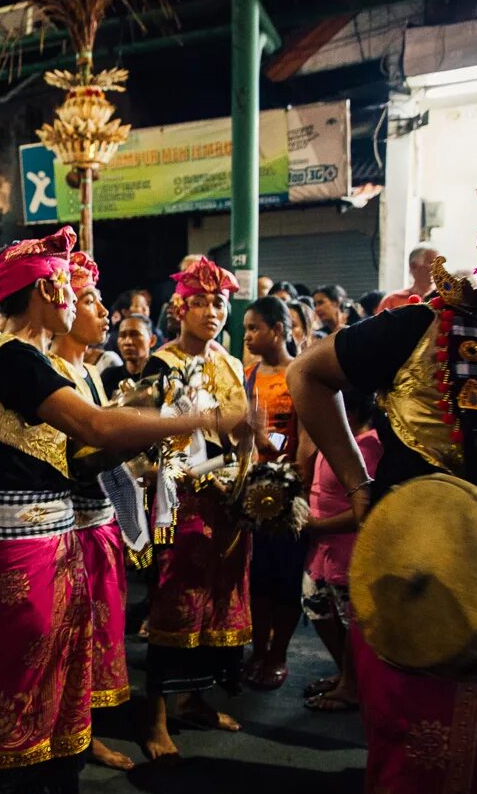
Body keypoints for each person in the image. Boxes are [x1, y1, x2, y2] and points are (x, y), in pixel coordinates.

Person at [289, 163, 477, 794]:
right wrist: (358, 485)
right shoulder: (428, 326)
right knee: (417, 779)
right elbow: (310, 375)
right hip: (417, 594)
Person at [0, 228, 243, 794]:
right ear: (45, 288)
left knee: (53, 683)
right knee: (15, 682)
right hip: (20, 549)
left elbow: (85, 454)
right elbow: (95, 431)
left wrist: (154, 427)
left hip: (53, 542)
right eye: (68, 283)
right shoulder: (13, 357)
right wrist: (203, 417)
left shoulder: (34, 359)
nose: (80, 296)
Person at [139, 257, 255, 762]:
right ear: (181, 309)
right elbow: (152, 434)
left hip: (227, 502)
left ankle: (195, 699)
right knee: (176, 604)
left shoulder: (229, 362)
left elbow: (244, 427)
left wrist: (250, 474)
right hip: (181, 500)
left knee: (216, 605)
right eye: (201, 302)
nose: (211, 311)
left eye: (219, 303)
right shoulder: (162, 363)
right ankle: (155, 717)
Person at [49, 251, 135, 772]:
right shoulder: (55, 373)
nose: (103, 312)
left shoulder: (91, 371)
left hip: (100, 523)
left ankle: (85, 735)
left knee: (99, 636)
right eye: (88, 300)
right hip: (72, 531)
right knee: (71, 644)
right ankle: (67, 742)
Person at [300, 386, 381, 714]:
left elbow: (367, 507)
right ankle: (347, 674)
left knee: (352, 622)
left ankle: (351, 686)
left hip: (348, 550)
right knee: (315, 606)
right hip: (321, 549)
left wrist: (317, 527)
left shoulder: (371, 446)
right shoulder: (337, 438)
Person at [240, 296, 305, 691]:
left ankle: (278, 653)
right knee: (257, 579)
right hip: (252, 490)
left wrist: (269, 439)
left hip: (291, 489)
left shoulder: (300, 374)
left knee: (285, 581)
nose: (246, 336)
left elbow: (305, 437)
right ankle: (258, 649)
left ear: (277, 330)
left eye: (253, 328)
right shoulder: (246, 375)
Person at [100, 313, 157, 392]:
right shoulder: (109, 377)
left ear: (152, 341)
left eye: (135, 335)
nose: (128, 342)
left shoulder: (160, 377)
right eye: (122, 335)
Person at [376, 244, 438, 313]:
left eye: (439, 264)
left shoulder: (444, 299)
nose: (438, 268)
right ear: (413, 266)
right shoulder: (392, 300)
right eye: (432, 263)